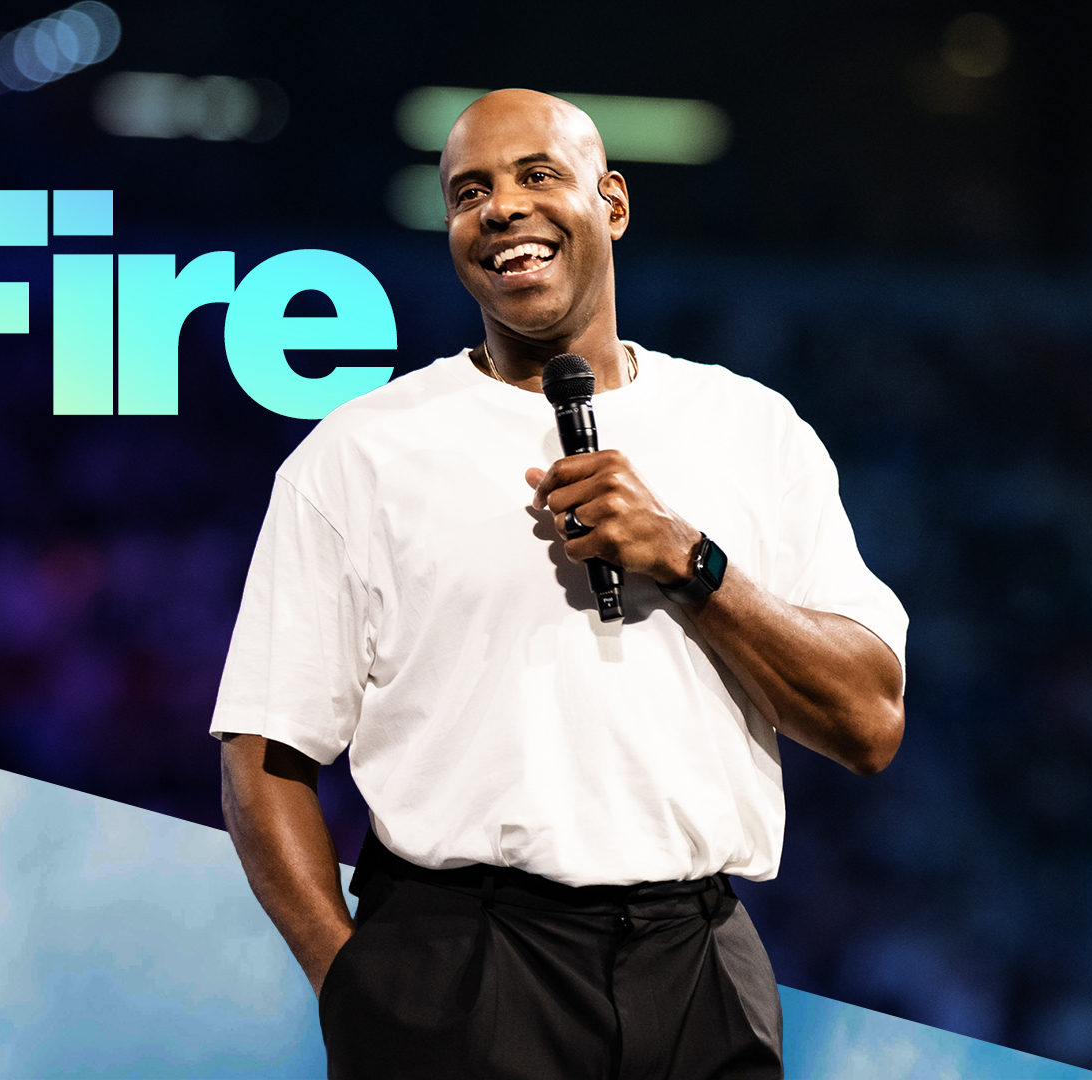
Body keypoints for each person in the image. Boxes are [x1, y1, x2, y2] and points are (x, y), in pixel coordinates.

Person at [210, 89, 907, 1080]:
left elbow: (869, 722)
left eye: (537, 175)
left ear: (611, 202)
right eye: (469, 192)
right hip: (459, 963)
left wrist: (689, 560)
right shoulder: (360, 453)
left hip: (702, 965)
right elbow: (263, 753)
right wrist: (351, 987)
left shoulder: (754, 429)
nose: (500, 207)